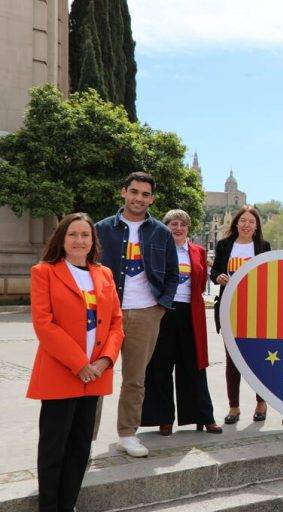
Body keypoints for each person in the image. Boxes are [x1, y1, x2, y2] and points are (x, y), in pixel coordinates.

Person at [28, 213, 124, 511]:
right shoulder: (44, 271)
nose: (79, 240)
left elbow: (116, 324)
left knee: (81, 446)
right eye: (73, 235)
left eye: (86, 235)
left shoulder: (104, 274)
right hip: (62, 371)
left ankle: (67, 505)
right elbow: (44, 324)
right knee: (54, 447)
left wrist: (105, 361)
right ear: (62, 238)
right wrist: (78, 363)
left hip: (95, 374)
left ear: (93, 240)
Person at [95, 172, 178, 457]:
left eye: (145, 194)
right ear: (123, 192)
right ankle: (84, 437)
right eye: (134, 192)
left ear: (152, 199)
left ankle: (127, 433)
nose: (138, 198)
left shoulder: (161, 232)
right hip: (107, 313)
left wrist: (160, 307)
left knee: (135, 378)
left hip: (145, 312)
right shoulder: (102, 229)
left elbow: (172, 273)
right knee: (95, 375)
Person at [141, 210, 222, 435]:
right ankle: (163, 418)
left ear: (188, 228)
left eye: (182, 225)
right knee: (160, 366)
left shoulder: (198, 251)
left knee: (194, 366)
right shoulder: (158, 249)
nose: (178, 228)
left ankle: (203, 416)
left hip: (190, 313)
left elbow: (200, 281)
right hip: (163, 312)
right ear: (165, 227)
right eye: (173, 224)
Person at [210, 205, 271, 424]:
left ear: (256, 226)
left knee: (258, 360)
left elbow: (269, 277)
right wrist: (218, 278)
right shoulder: (224, 245)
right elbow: (214, 271)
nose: (246, 224)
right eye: (243, 220)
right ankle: (234, 407)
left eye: (251, 221)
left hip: (256, 311)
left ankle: (261, 403)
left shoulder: (263, 246)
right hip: (229, 309)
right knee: (231, 360)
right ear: (236, 223)